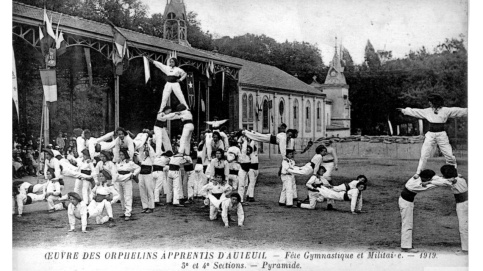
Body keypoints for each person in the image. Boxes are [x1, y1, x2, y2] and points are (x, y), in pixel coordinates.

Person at [397, 94, 468, 179]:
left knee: (449, 155)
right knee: (424, 154)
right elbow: (416, 112)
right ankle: (418, 173)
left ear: (435, 102)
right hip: (430, 135)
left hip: (441, 135)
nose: (429, 103)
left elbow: (458, 111)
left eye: (430, 102)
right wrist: (404, 110)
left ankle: (453, 173)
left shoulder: (445, 110)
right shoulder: (427, 111)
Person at [398, 169, 452, 253]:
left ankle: (406, 245)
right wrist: (447, 181)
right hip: (405, 203)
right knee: (407, 223)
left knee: (408, 223)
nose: (430, 180)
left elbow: (435, 178)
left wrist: (446, 179)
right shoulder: (415, 184)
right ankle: (406, 247)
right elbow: (436, 184)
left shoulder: (418, 177)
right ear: (426, 178)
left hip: (407, 201)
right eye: (429, 179)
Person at [439, 165, 468, 255]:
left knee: (463, 227)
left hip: (462, 205)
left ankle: (466, 250)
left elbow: (442, 181)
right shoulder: (460, 178)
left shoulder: (452, 181)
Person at [115, 149, 140, 220]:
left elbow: (138, 168)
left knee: (128, 196)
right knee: (122, 197)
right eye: (120, 155)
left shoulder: (130, 162)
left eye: (122, 154)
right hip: (120, 180)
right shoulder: (118, 162)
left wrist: (133, 174)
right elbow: (115, 170)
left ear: (125, 155)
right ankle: (124, 211)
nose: (121, 156)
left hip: (127, 180)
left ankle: (128, 213)